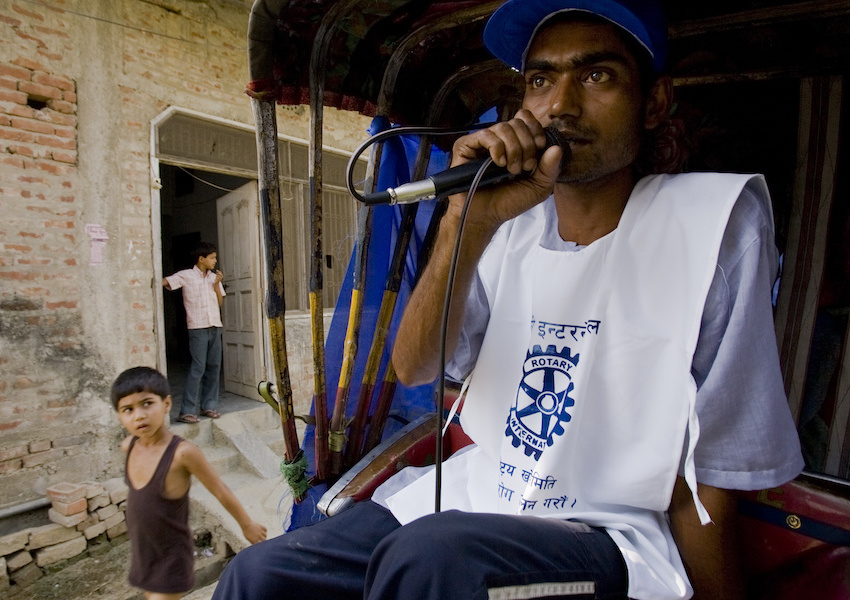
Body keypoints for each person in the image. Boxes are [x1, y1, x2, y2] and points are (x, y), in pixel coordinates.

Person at [212, 1, 804, 599]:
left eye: (597, 75)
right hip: (480, 493)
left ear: (653, 103)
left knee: (438, 559)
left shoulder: (712, 225)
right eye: (541, 81)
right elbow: (415, 366)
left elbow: (719, 467)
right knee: (259, 576)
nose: (562, 105)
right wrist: (465, 222)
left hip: (607, 528)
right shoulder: (505, 225)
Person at [112, 366, 267, 600]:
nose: (139, 415)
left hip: (171, 555)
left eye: (147, 403)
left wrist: (247, 525)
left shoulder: (182, 453)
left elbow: (220, 490)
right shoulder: (129, 446)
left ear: (166, 404)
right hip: (143, 551)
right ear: (119, 416)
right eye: (128, 409)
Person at [163, 242, 226, 424]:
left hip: (214, 325)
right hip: (197, 327)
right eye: (212, 257)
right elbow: (166, 282)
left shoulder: (214, 278)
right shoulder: (186, 275)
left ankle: (209, 406)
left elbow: (220, 303)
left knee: (214, 366)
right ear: (201, 259)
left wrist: (216, 285)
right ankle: (187, 410)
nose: (215, 261)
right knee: (198, 368)